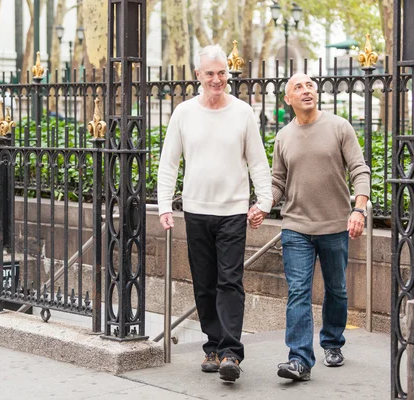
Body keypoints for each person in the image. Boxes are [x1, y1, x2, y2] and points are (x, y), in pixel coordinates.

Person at [157, 44, 273, 382]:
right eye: (210, 73)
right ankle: (212, 345)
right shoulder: (183, 113)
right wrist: (165, 205)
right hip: (195, 210)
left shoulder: (242, 112)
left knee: (230, 282)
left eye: (222, 73)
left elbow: (257, 161)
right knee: (204, 283)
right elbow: (169, 163)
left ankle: (231, 354)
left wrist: (263, 202)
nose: (217, 79)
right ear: (198, 75)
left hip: (233, 212)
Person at [269, 73, 370, 381]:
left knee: (336, 290)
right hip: (296, 226)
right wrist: (261, 204)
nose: (306, 90)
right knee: (298, 292)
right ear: (288, 100)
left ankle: (332, 342)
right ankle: (299, 359)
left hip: (335, 224)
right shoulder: (283, 137)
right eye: (298, 87)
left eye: (310, 85)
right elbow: (277, 182)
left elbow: (359, 169)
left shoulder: (340, 127)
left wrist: (359, 209)